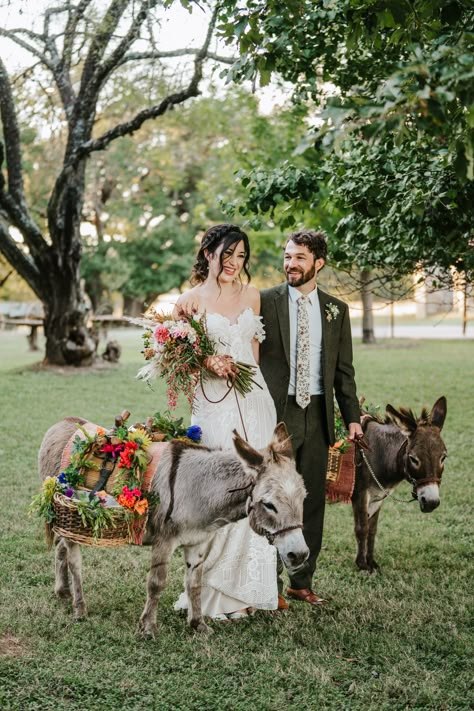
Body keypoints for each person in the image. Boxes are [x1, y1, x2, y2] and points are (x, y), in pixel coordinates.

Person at [172, 223, 278, 621]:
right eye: (227, 254)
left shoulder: (252, 295)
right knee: (221, 487)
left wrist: (251, 388)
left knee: (257, 485)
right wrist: (207, 361)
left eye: (241, 256)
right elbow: (179, 360)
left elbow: (253, 351)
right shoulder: (189, 301)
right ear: (208, 253)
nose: (234, 263)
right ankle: (211, 590)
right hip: (213, 404)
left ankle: (246, 590)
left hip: (254, 402)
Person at [260, 229, 363, 607]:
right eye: (288, 256)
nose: (291, 264)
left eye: (299, 257)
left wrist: (351, 416)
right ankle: (265, 583)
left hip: (318, 413)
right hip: (278, 414)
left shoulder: (337, 309)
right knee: (272, 497)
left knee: (311, 499)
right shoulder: (265, 301)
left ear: (318, 262)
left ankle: (300, 581)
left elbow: (344, 371)